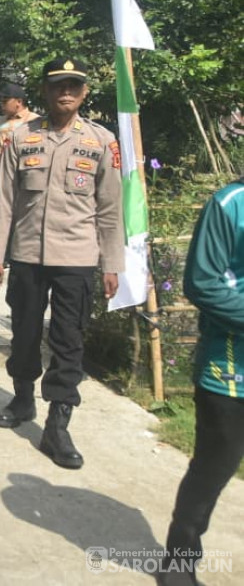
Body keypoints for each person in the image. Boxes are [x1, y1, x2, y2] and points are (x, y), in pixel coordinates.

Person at [0, 57, 124, 469]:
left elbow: (110, 209)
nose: (65, 93)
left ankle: (58, 424)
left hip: (77, 258)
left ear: (83, 93)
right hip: (27, 255)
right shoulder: (21, 137)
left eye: (73, 86)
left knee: (68, 339)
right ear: (44, 91)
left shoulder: (101, 141)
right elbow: (3, 199)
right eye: (57, 85)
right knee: (24, 331)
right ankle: (23, 397)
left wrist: (111, 263)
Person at [158, 176, 244, 585]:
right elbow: (204, 282)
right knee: (214, 466)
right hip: (231, 372)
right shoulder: (229, 204)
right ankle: (179, 561)